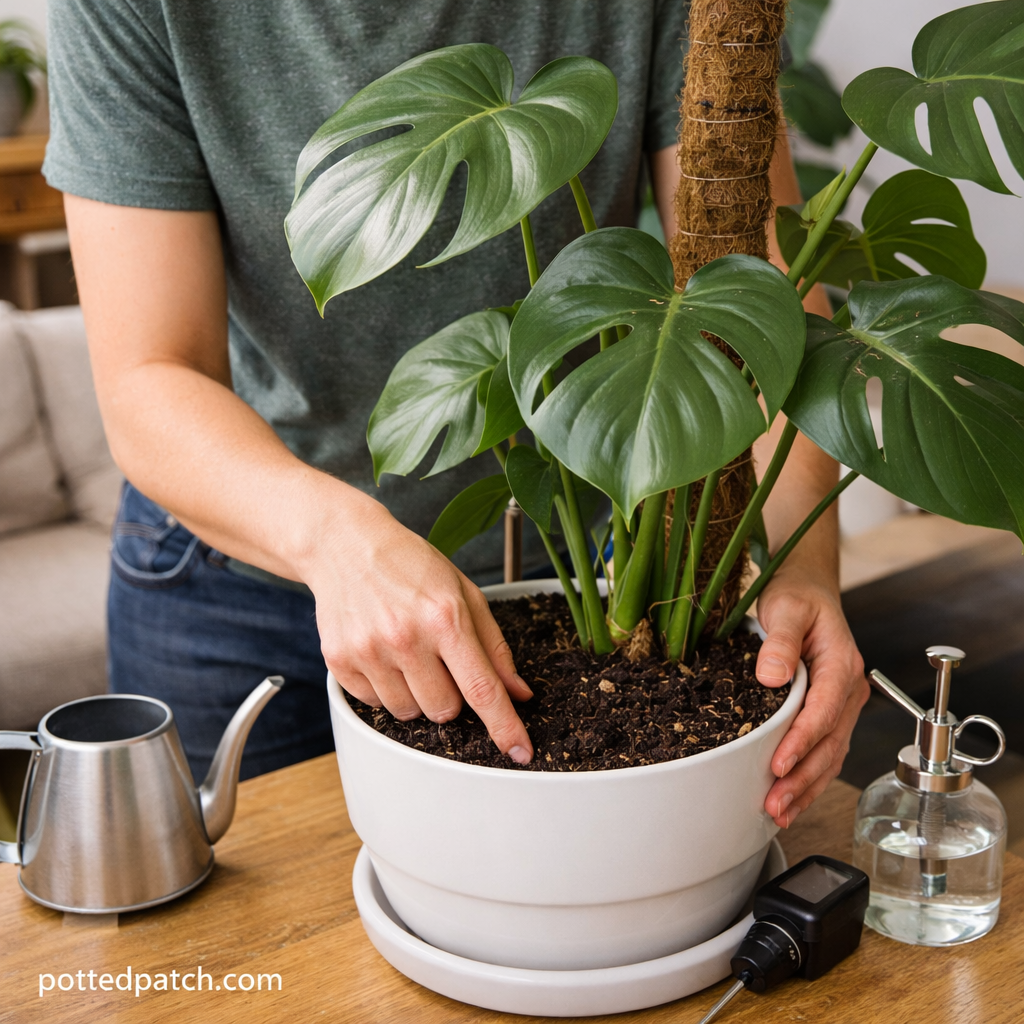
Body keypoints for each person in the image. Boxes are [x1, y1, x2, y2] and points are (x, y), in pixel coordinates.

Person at [44, 0, 867, 827]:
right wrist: (337, 544)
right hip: (237, 575)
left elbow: (753, 295)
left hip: (570, 567)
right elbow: (151, 372)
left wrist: (804, 563)